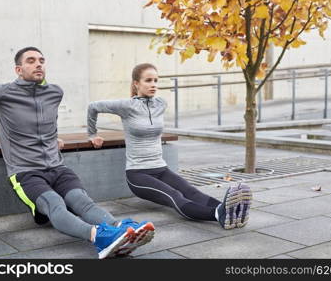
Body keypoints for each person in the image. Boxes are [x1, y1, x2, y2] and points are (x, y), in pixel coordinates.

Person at [0, 47, 154, 259]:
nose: (38, 64)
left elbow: (48, 118)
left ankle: (120, 229)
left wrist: (51, 136)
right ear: (18, 69)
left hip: (57, 166)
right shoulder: (1, 92)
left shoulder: (55, 92)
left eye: (41, 60)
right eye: (31, 61)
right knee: (55, 204)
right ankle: (99, 237)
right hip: (25, 172)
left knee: (82, 201)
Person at [87, 63, 252, 230]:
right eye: (148, 80)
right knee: (175, 196)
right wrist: (93, 134)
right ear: (136, 83)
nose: (153, 85)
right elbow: (93, 107)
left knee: (192, 192)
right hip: (138, 174)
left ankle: (230, 211)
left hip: (161, 168)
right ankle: (219, 215)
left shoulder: (160, 103)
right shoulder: (126, 106)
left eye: (156, 81)